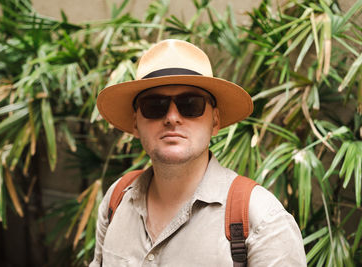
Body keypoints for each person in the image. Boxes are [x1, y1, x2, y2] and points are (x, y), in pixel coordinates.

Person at [90, 39, 306, 266]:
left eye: (190, 104)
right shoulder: (116, 200)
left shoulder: (262, 220)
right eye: (154, 105)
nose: (172, 117)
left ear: (215, 121)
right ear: (135, 123)